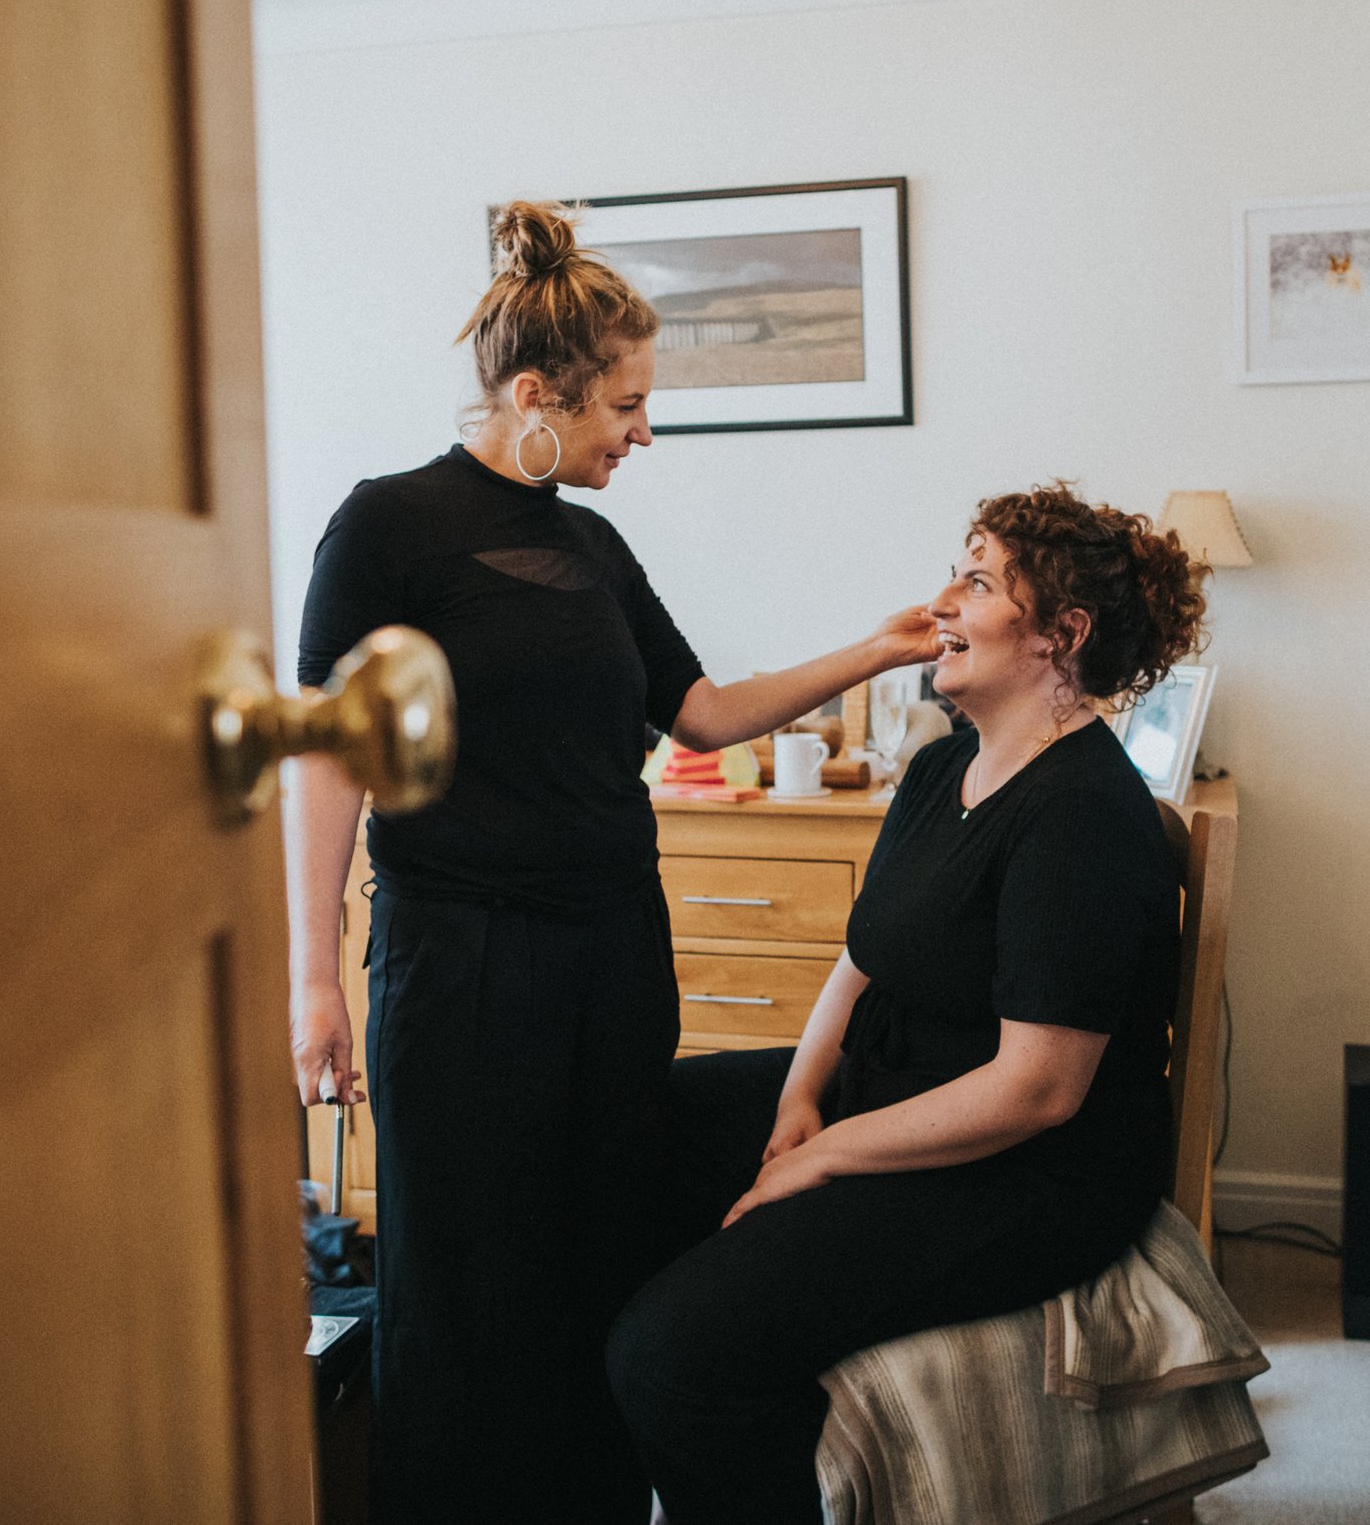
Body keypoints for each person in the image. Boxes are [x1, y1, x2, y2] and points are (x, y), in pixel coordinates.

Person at [285, 201, 939, 1525]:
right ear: (536, 393)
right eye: (624, 404)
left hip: (613, 959)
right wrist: (311, 977)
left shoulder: (591, 547)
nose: (641, 430)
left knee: (602, 1267)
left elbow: (699, 708)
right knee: (467, 1290)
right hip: (460, 965)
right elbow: (326, 757)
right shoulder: (387, 527)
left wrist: (875, 649)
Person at [606, 484, 1209, 1525]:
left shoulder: (1084, 818)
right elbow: (859, 960)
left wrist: (828, 1153)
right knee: (621, 1136)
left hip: (1025, 1169)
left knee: (669, 1353)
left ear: (1061, 635)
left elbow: (1034, 1091)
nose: (940, 599)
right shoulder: (938, 770)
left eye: (976, 579)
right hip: (892, 1089)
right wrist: (800, 1098)